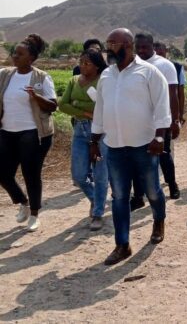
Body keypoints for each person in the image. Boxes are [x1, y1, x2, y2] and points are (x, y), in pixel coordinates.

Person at [90, 28, 171, 265]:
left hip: (144, 146)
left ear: (127, 44)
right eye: (108, 42)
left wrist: (159, 138)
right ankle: (122, 244)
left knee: (152, 190)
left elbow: (162, 106)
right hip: (114, 146)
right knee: (119, 197)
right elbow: (100, 110)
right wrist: (94, 141)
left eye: (113, 43)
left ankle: (158, 220)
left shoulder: (149, 72)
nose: (108, 47)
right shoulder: (107, 75)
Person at [0, 34, 57, 232]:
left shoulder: (41, 77)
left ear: (31, 58)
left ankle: (34, 215)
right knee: (3, 173)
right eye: (14, 52)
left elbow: (52, 106)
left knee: (31, 173)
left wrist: (36, 96)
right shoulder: (5, 75)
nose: (14, 56)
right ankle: (23, 201)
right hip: (7, 131)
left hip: (33, 133)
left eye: (19, 54)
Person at [59, 49, 109, 231]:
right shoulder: (74, 81)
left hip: (102, 132)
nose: (82, 65)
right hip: (80, 130)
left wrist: (77, 104)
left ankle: (97, 214)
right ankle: (97, 199)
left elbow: (103, 106)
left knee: (100, 174)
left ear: (97, 66)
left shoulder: (103, 81)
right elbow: (62, 105)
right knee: (79, 175)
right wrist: (85, 111)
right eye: (81, 62)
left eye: (87, 63)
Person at [132, 33, 181, 205]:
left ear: (152, 46)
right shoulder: (132, 65)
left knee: (163, 155)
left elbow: (173, 95)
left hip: (160, 120)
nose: (141, 50)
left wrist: (175, 121)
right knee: (136, 159)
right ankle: (138, 196)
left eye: (145, 47)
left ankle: (172, 184)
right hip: (138, 122)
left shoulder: (165, 65)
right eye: (138, 47)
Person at [154, 42, 186, 125]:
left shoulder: (177, 67)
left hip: (170, 111)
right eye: (155, 54)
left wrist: (180, 114)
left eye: (160, 53)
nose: (158, 56)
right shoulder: (149, 67)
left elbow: (181, 93)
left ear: (166, 51)